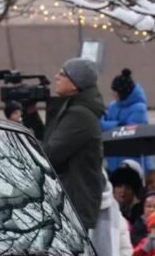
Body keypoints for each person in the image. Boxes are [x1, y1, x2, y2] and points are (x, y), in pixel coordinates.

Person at [42, 57, 106, 233]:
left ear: (76, 84)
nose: (56, 77)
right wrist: (31, 114)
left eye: (62, 74)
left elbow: (49, 153)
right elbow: (49, 141)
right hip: (70, 203)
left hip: (72, 205)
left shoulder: (80, 115)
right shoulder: (76, 110)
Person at [101, 68, 154, 173]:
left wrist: (109, 125)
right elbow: (102, 123)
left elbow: (128, 131)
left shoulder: (139, 108)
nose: (113, 95)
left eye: (116, 92)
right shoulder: (113, 106)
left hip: (133, 160)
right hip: (114, 159)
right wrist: (116, 124)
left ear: (123, 93)